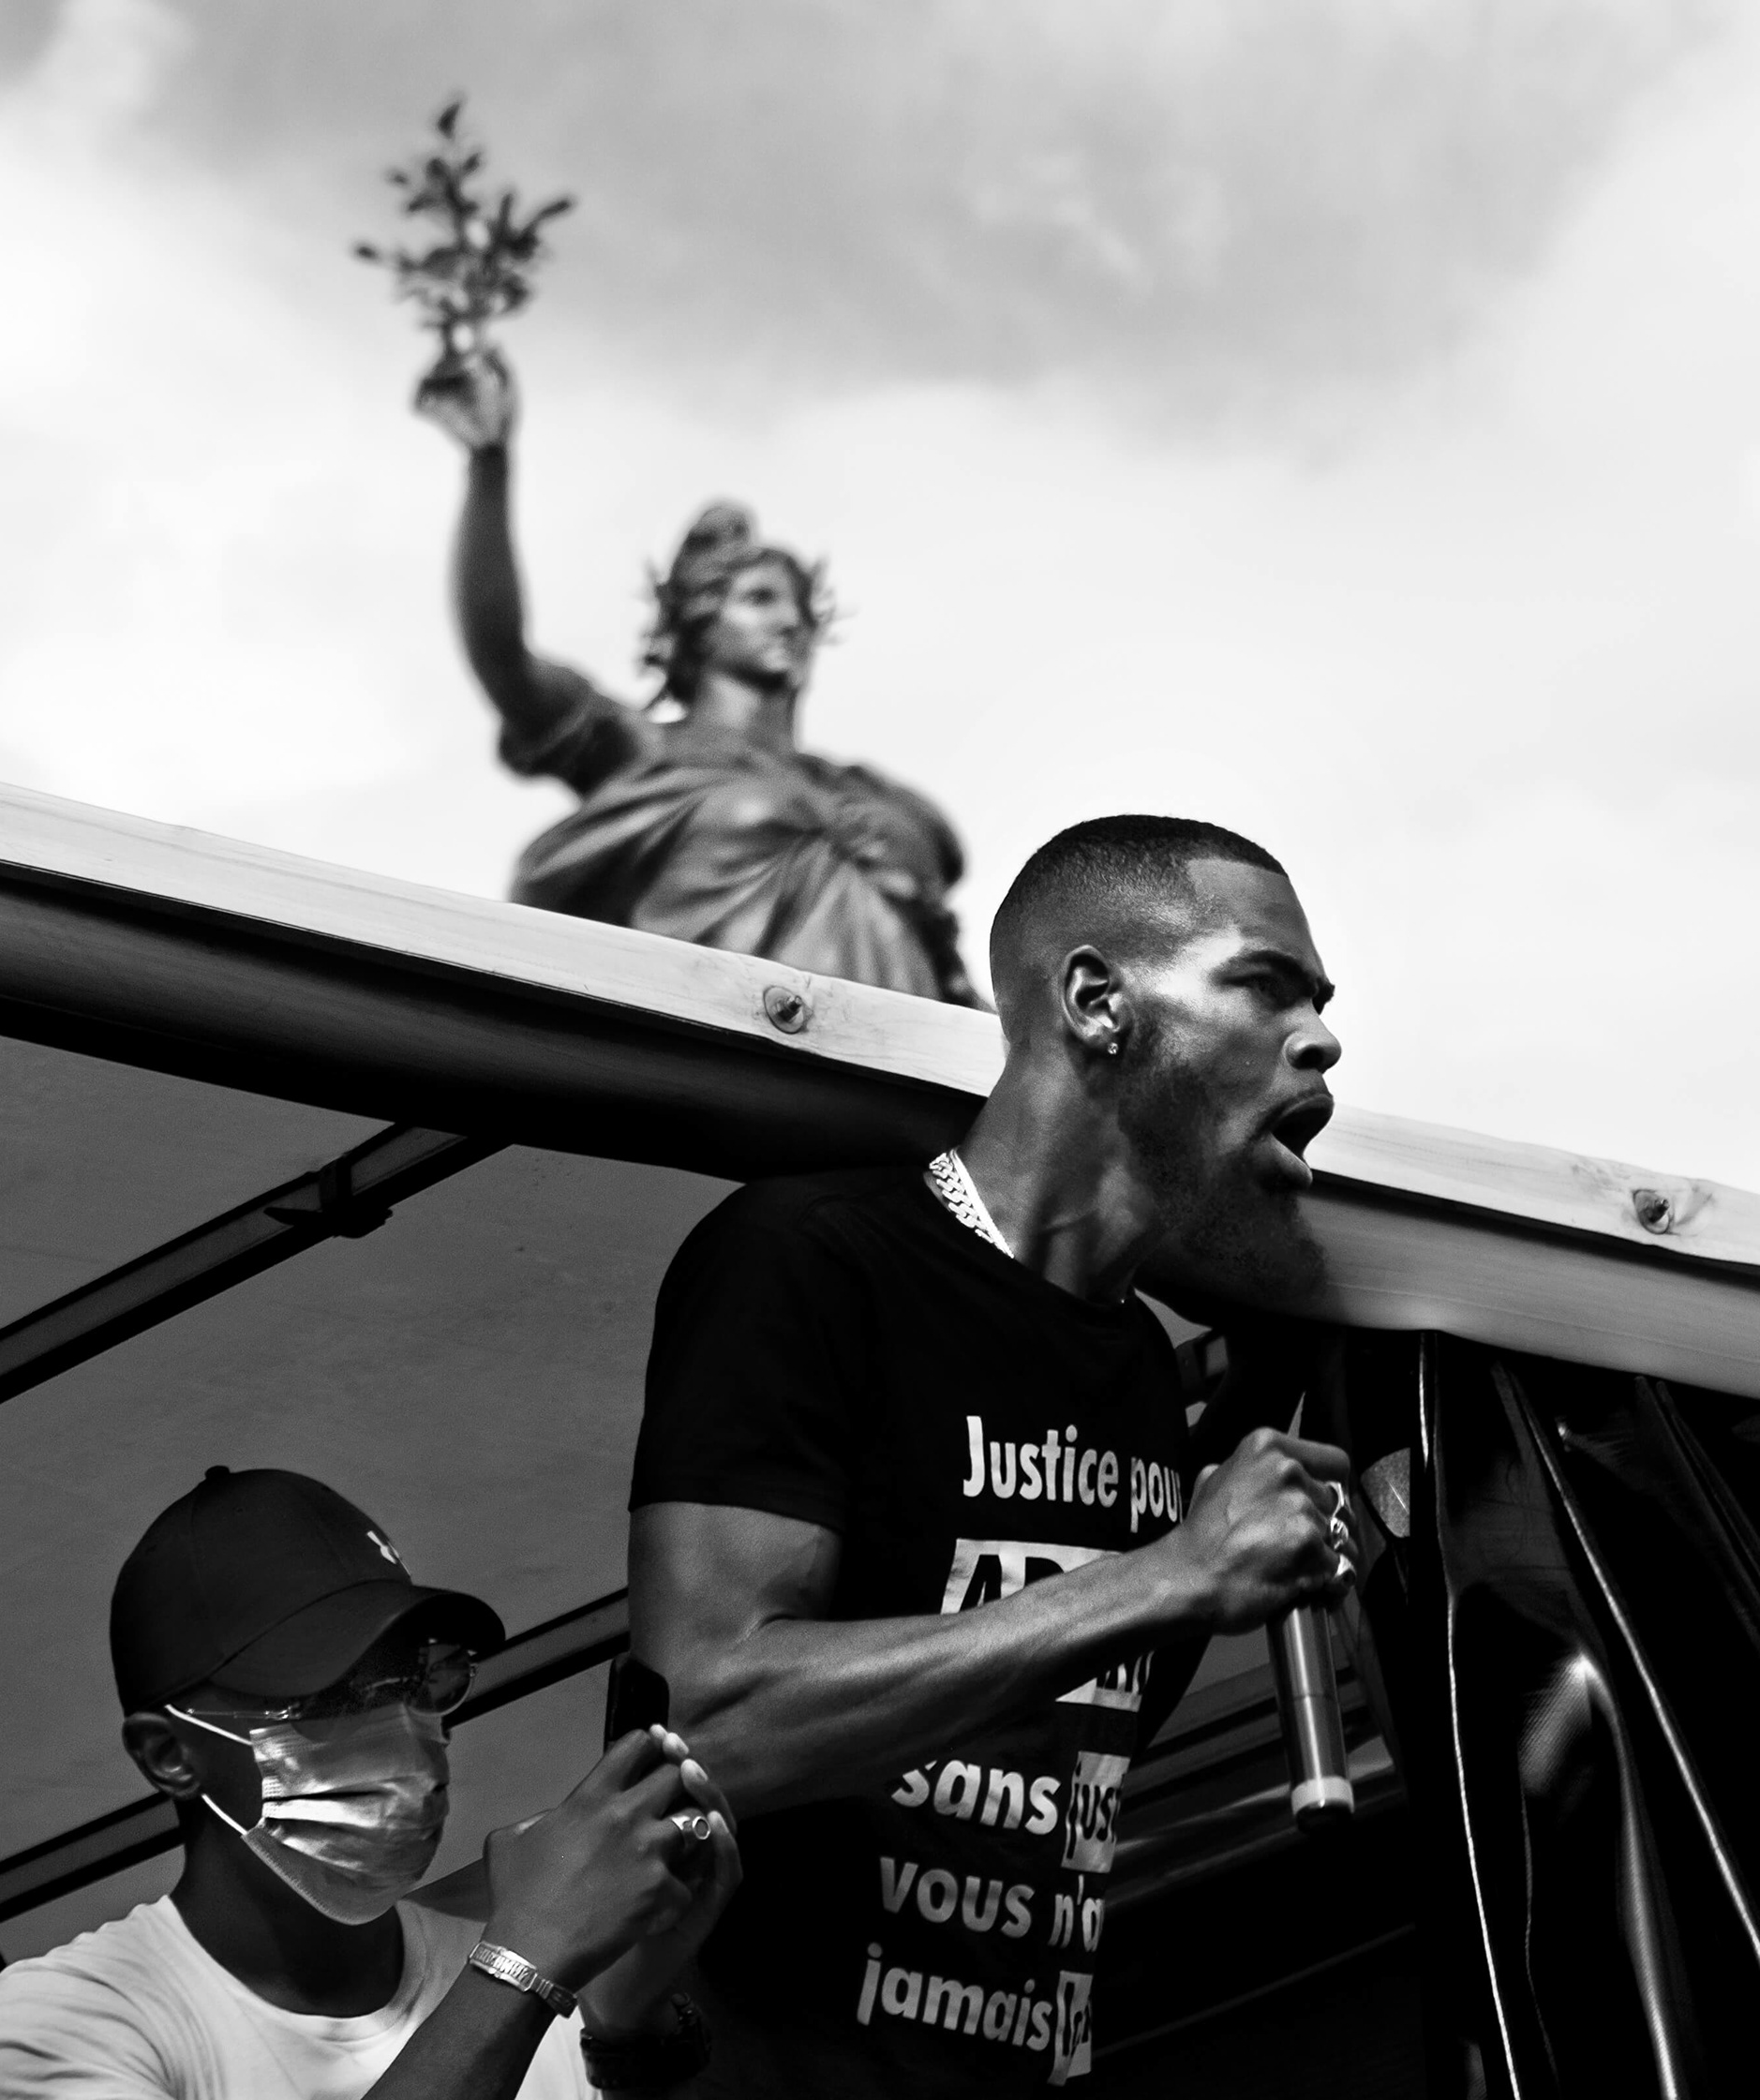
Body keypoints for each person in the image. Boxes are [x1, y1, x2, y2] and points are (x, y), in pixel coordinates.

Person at [625, 812, 1354, 2095]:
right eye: (1263, 984)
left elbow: (1067, 1750)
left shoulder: (1135, 1367)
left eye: (1322, 1004)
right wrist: (1170, 1574)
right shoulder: (814, 1260)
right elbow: (708, 1722)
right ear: (1095, 1001)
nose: (1321, 1036)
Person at [0, 1467, 739, 2100]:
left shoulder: (525, 1981)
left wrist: (625, 2021)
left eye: (419, 1679)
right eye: (326, 1696)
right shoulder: (69, 2023)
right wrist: (530, 1950)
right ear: (170, 1752)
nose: (403, 1728)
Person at [416, 351, 981, 1005]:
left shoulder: (869, 791)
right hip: (725, 1076)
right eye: (761, 598)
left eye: (799, 605)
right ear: (698, 623)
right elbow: (501, 656)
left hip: (907, 1084)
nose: (791, 619)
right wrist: (490, 466)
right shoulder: (644, 750)